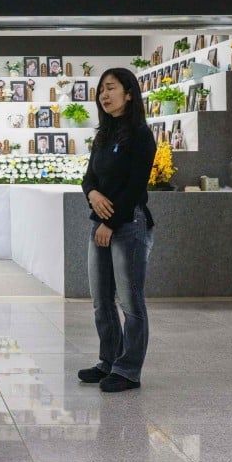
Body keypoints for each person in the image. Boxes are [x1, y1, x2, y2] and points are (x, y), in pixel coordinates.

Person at [78, 67, 156, 393]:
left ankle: (128, 370)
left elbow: (136, 186)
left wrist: (110, 222)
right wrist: (92, 194)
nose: (104, 95)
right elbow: (88, 178)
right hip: (102, 225)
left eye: (110, 88)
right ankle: (108, 361)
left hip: (129, 226)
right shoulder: (105, 133)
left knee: (130, 302)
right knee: (101, 300)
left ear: (128, 93)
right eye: (101, 91)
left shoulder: (140, 134)